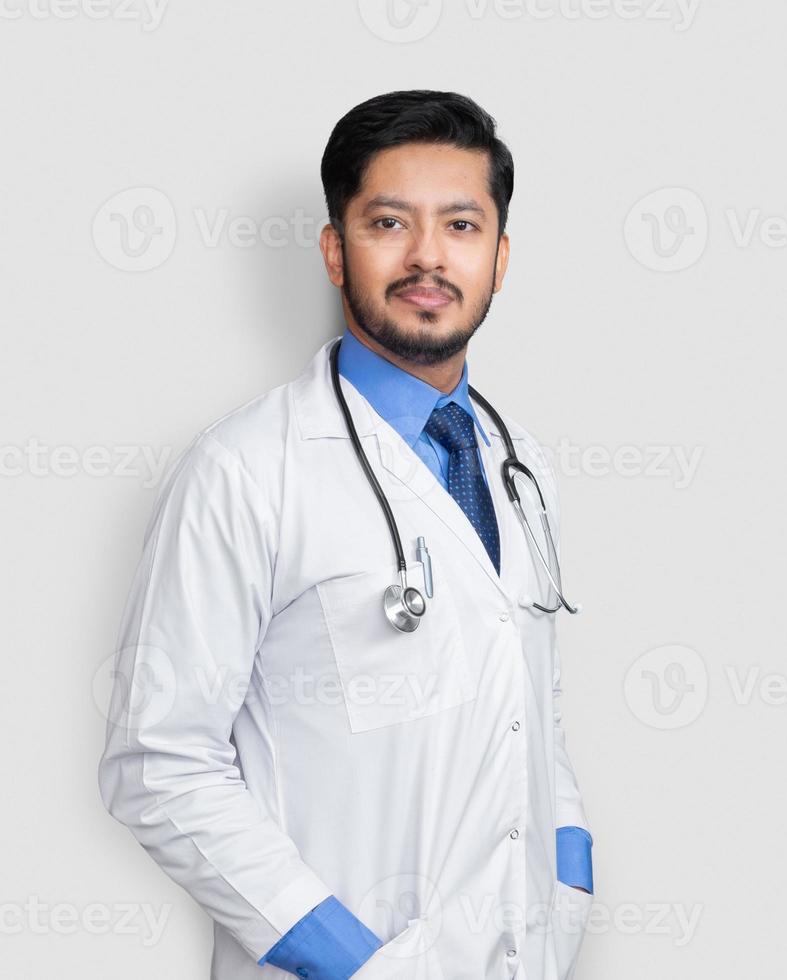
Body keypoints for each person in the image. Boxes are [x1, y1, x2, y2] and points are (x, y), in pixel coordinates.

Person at [97, 90, 595, 980]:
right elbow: (158, 764)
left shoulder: (519, 468)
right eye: (389, 223)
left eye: (462, 226)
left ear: (501, 258)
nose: (428, 258)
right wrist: (355, 963)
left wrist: (569, 883)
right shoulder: (245, 470)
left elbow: (533, 710)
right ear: (336, 249)